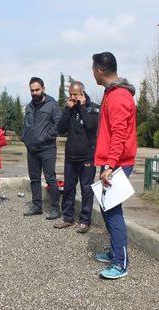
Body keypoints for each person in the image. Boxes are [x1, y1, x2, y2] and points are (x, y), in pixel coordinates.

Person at [91, 52, 137, 280]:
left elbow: (120, 134)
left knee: (112, 211)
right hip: (112, 161)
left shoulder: (119, 96)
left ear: (99, 69)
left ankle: (121, 263)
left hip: (117, 163)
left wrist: (109, 165)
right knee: (107, 208)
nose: (92, 73)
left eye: (93, 68)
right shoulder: (113, 93)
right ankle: (115, 251)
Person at [54, 81, 99, 232]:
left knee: (86, 189)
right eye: (70, 94)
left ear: (82, 93)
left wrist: (82, 107)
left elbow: (91, 126)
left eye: (75, 94)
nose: (72, 97)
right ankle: (68, 218)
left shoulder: (92, 108)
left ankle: (85, 220)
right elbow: (60, 129)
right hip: (71, 156)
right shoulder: (69, 109)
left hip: (87, 156)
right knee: (68, 188)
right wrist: (68, 109)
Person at [21, 77, 61, 219]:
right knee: (34, 179)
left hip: (47, 148)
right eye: (32, 90)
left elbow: (58, 125)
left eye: (37, 89)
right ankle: (37, 206)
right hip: (32, 149)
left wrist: (45, 137)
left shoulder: (52, 105)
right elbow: (25, 125)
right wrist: (24, 138)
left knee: (50, 178)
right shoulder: (29, 107)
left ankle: (55, 208)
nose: (34, 92)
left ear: (43, 88)